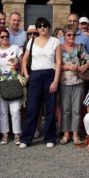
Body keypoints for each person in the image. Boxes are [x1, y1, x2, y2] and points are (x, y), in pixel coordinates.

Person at [20, 17, 62, 148]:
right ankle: (26, 139)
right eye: (39, 26)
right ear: (37, 29)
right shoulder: (31, 41)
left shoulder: (55, 41)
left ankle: (50, 138)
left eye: (44, 25)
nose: (42, 28)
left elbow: (59, 62)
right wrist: (27, 75)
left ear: (48, 27)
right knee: (32, 108)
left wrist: (55, 81)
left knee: (50, 109)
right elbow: (24, 60)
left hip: (50, 75)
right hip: (35, 76)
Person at [59, 24, 89, 145]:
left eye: (73, 35)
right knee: (66, 109)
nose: (71, 37)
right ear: (64, 36)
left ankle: (75, 134)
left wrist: (85, 66)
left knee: (76, 109)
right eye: (69, 35)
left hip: (78, 81)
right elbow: (55, 64)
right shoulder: (59, 48)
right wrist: (68, 67)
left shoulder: (79, 47)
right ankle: (66, 134)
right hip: (64, 82)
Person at [0, 28, 23, 145]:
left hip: (14, 81)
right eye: (2, 37)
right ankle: (4, 134)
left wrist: (24, 76)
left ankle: (17, 134)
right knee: (2, 110)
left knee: (15, 110)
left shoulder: (16, 49)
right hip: (0, 83)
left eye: (6, 36)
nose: (5, 38)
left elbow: (22, 63)